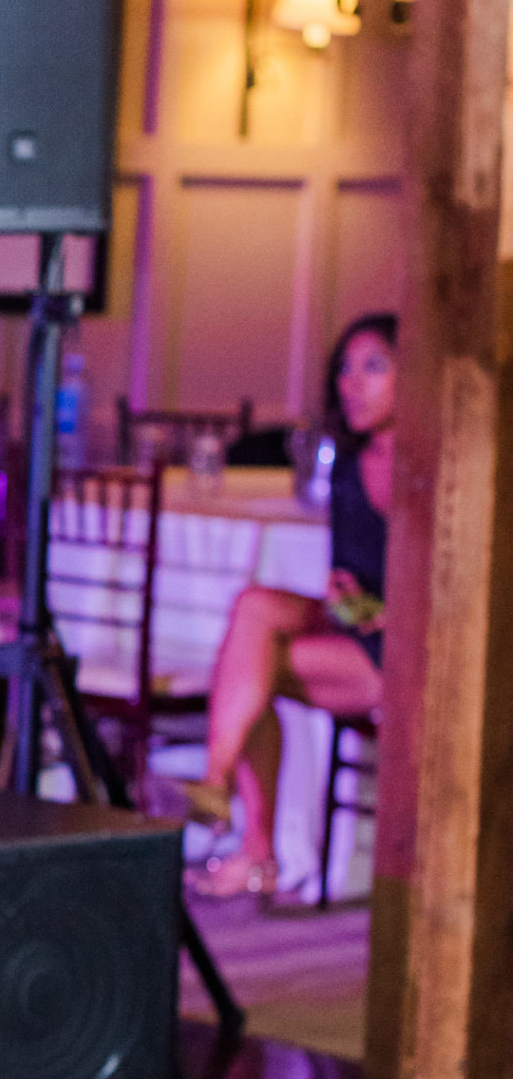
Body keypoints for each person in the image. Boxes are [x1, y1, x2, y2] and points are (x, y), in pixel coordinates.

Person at [183, 311, 396, 899]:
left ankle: (251, 842)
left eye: (374, 366)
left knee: (249, 669)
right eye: (345, 369)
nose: (352, 383)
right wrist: (349, 597)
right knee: (253, 612)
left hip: (413, 655)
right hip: (363, 630)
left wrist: (396, 611)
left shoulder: (438, 469)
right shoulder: (350, 465)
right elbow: (355, 581)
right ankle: (222, 790)